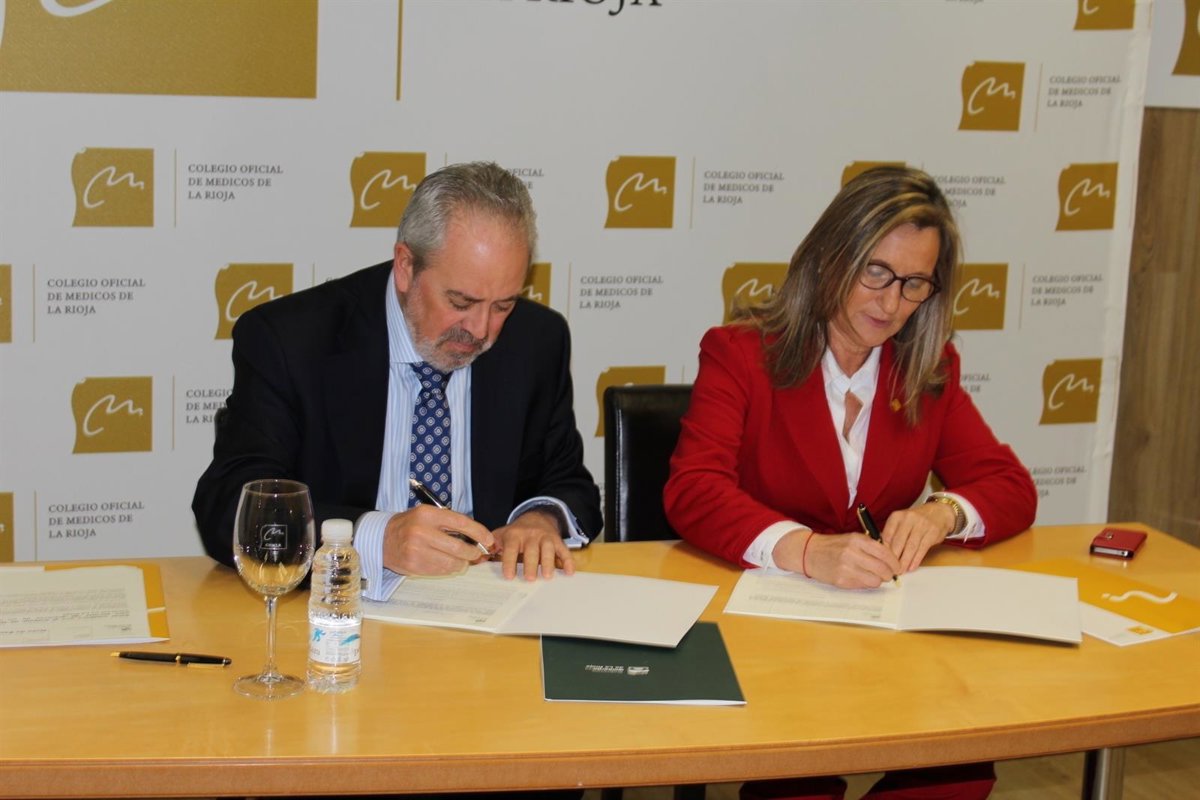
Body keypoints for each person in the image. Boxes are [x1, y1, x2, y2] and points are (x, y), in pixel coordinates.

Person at [663, 165, 1036, 800]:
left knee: (961, 764)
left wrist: (942, 513)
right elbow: (694, 489)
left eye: (914, 284)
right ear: (830, 256)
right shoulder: (741, 353)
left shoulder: (928, 366)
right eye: (876, 273)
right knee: (801, 781)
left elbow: (1009, 485)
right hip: (770, 635)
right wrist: (806, 550)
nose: (891, 304)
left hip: (879, 632)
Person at [194, 161, 602, 602]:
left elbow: (569, 482)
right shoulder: (292, 340)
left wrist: (540, 519)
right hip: (338, 613)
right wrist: (377, 538)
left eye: (503, 305)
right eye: (460, 302)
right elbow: (229, 507)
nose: (481, 330)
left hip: (486, 609)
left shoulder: (538, 340)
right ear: (406, 266)